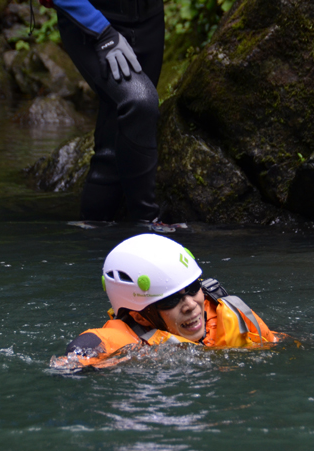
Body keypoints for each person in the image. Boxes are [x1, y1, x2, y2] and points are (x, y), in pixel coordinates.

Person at [58, 234, 282, 368]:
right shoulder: (128, 340)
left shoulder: (227, 314)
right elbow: (86, 347)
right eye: (171, 300)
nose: (191, 305)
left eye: (194, 288)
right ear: (139, 316)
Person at [48, 0, 165, 224]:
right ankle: (147, 223)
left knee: (116, 136)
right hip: (90, 22)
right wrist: (102, 33)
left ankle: (95, 234)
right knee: (140, 101)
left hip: (149, 19)